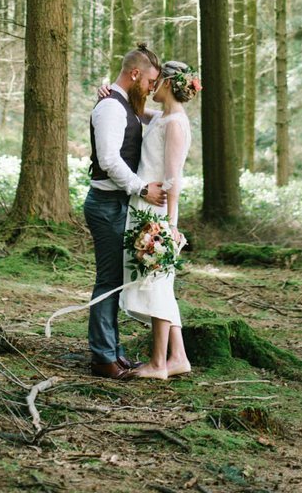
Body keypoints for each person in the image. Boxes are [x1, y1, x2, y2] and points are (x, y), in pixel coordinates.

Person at [84, 43, 166, 379]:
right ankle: (103, 357)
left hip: (117, 204)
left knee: (115, 281)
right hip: (106, 205)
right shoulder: (111, 109)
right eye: (149, 82)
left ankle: (113, 353)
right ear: (134, 75)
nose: (151, 89)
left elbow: (163, 117)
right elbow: (108, 160)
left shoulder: (126, 106)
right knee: (108, 281)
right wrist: (142, 188)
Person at [119, 59, 198, 380]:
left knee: (156, 285)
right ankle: (177, 357)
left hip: (157, 213)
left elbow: (173, 178)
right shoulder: (164, 118)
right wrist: (112, 95)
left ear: (167, 83)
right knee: (160, 283)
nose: (151, 87)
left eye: (156, 82)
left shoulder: (176, 123)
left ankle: (157, 364)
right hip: (144, 207)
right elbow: (141, 117)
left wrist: (170, 225)